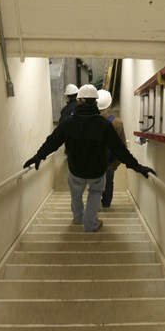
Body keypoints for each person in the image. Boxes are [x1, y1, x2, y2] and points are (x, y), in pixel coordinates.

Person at [23, 84, 156, 232]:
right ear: (96, 102)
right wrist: (137, 167)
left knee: (76, 194)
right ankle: (90, 223)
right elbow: (120, 151)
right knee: (94, 194)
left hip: (76, 171)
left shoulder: (67, 122)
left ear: (79, 101)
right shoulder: (104, 125)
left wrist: (38, 156)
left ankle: (79, 217)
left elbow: (52, 142)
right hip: (97, 172)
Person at [97, 89, 124, 208]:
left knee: (94, 185)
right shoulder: (117, 123)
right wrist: (115, 163)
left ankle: (94, 206)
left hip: (92, 162)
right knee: (109, 182)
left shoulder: (89, 121)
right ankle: (106, 204)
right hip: (110, 161)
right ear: (109, 104)